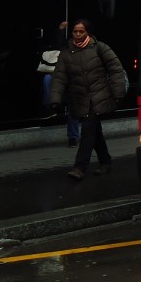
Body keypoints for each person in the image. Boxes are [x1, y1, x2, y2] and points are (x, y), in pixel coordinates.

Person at [49, 19, 125, 180]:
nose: (77, 34)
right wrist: (55, 99)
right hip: (80, 98)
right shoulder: (66, 53)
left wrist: (118, 93)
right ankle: (106, 162)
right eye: (75, 31)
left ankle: (79, 167)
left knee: (88, 130)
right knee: (94, 130)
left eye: (81, 31)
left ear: (88, 33)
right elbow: (59, 77)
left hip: (99, 96)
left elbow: (116, 69)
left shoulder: (100, 47)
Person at [39, 20, 76, 146]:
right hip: (63, 80)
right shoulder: (65, 48)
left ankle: (73, 137)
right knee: (47, 79)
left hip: (74, 83)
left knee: (73, 107)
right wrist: (61, 30)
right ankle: (50, 107)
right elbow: (58, 44)